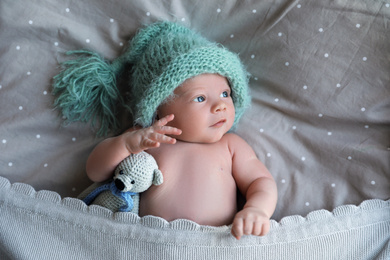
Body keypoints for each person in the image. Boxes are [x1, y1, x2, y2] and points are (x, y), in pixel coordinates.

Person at [53, 21, 277, 240]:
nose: (220, 105)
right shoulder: (147, 139)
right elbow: (95, 172)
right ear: (158, 108)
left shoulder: (231, 145)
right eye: (200, 98)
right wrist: (125, 144)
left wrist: (257, 210)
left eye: (225, 94)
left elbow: (260, 181)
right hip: (152, 242)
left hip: (217, 242)